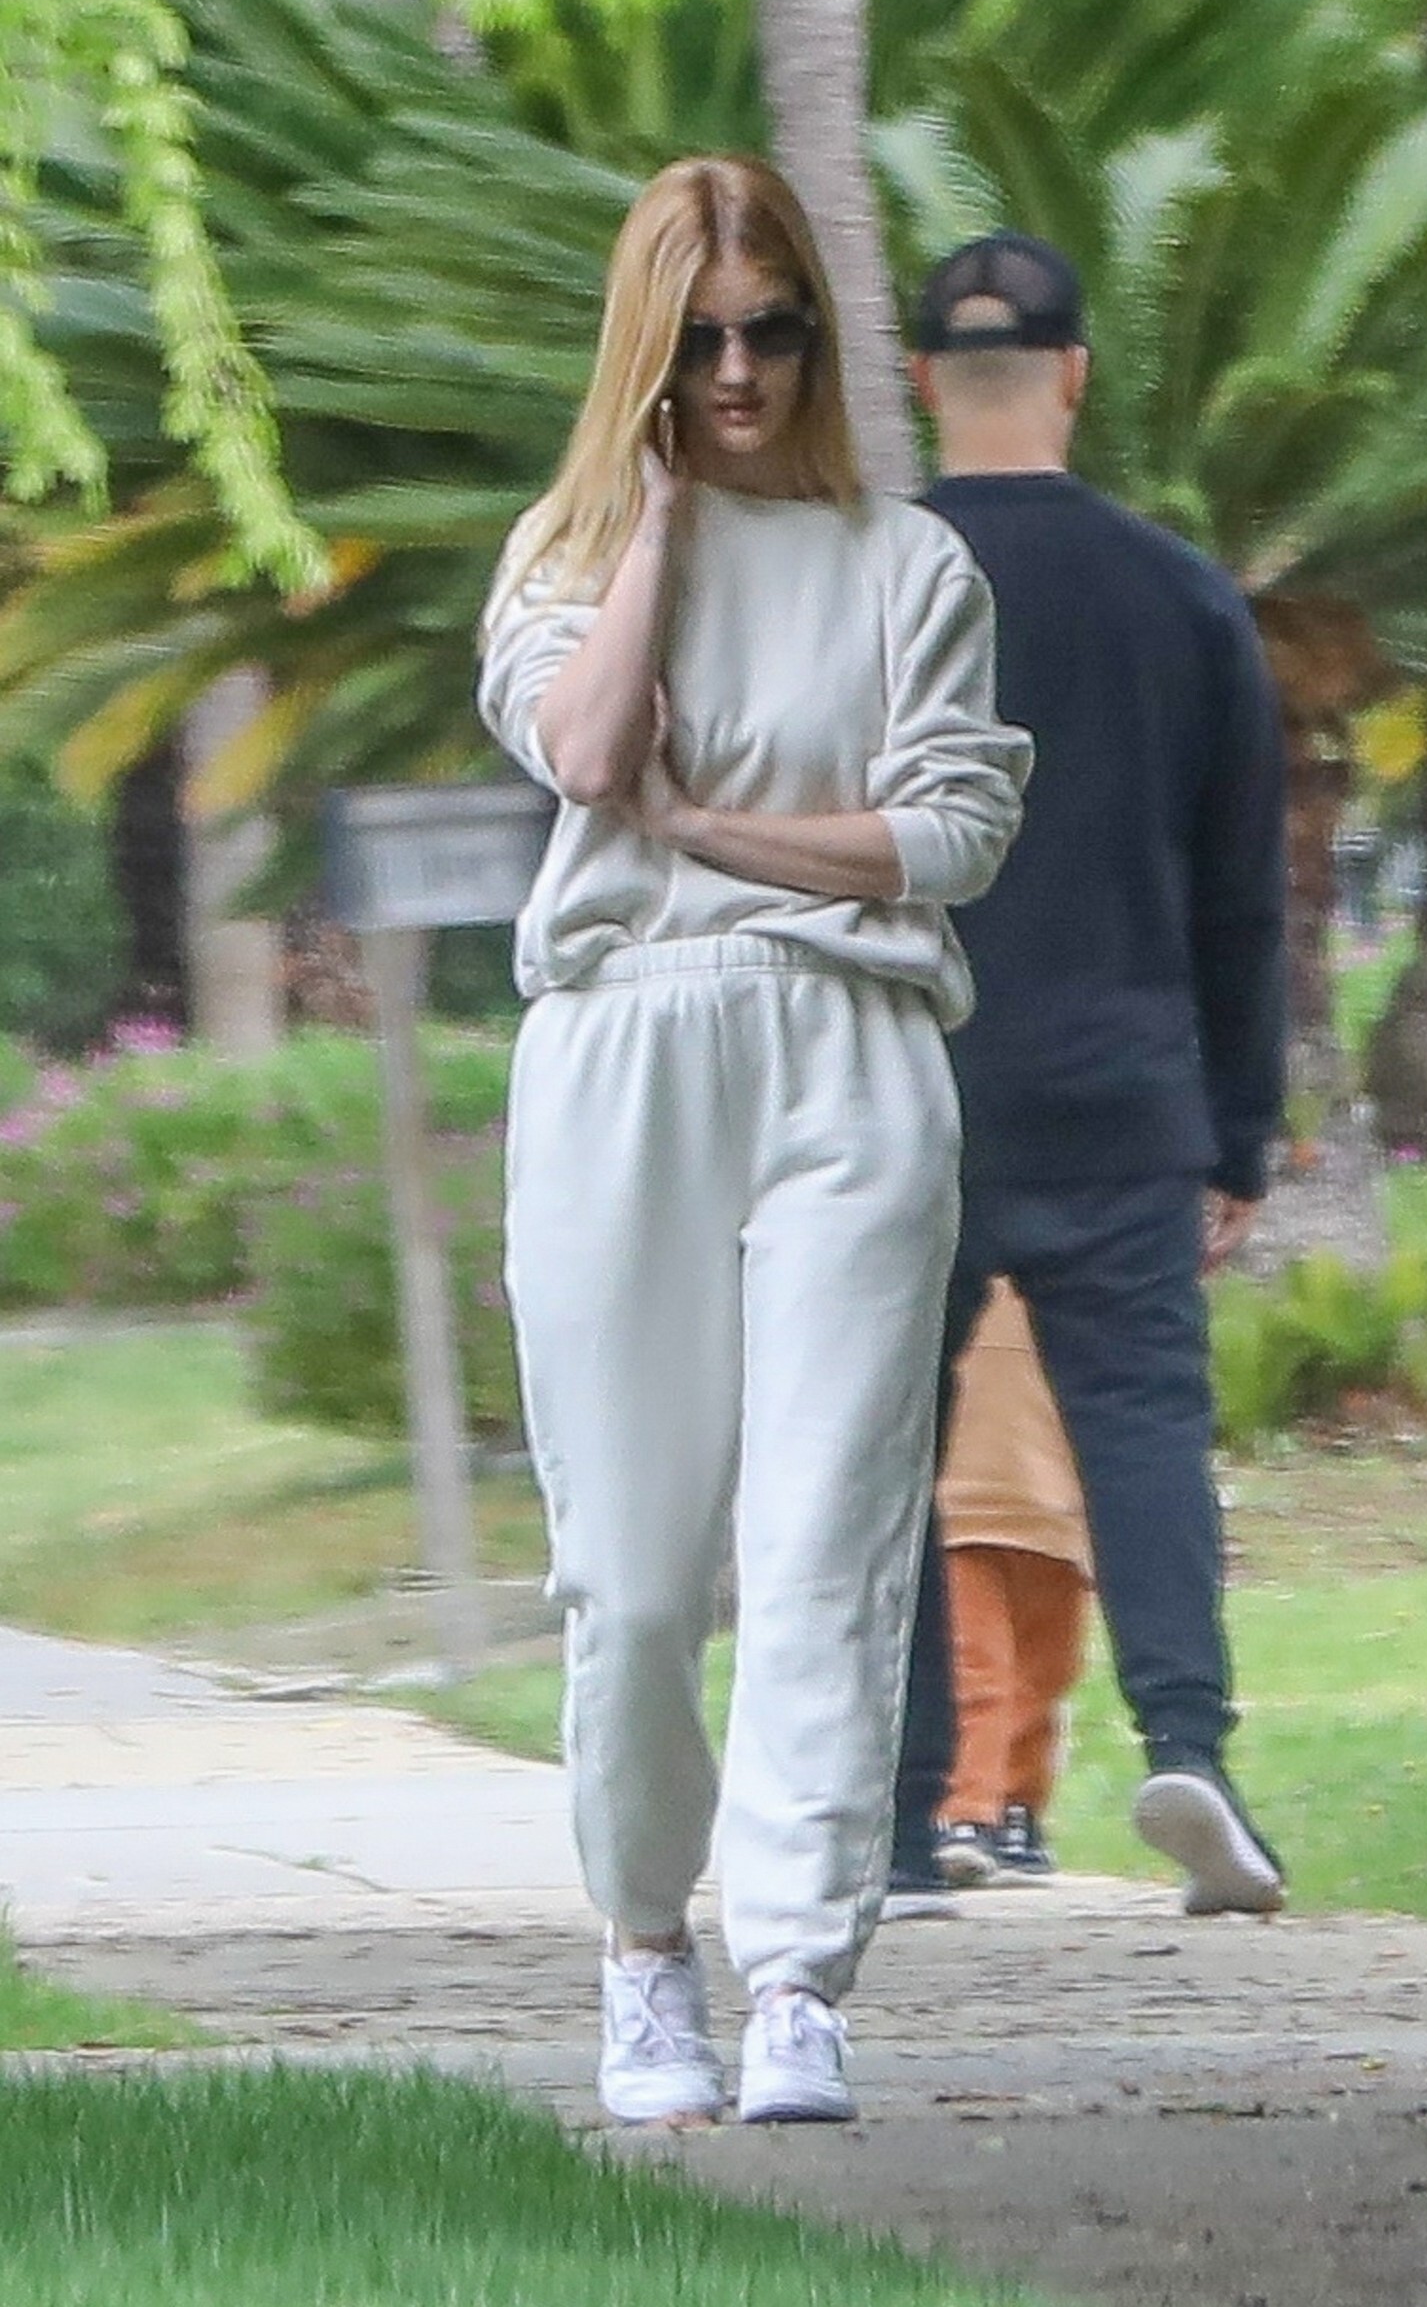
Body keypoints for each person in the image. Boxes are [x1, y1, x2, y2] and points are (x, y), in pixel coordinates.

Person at [477, 159, 1030, 2127]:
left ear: (819, 336)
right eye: (698, 337)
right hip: (621, 1049)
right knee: (628, 1573)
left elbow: (951, 835)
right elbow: (587, 753)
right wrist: (656, 520)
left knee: (820, 1539)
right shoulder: (562, 557)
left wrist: (714, 836)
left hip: (850, 1057)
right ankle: (646, 1949)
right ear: (644, 350)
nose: (736, 370)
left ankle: (796, 1973)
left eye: (771, 330)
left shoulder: (908, 567)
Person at [890, 232, 1288, 1919]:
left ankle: (904, 1815)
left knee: (884, 1446)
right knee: (1140, 1427)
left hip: (904, 1087)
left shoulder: (869, 580)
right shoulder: (1180, 593)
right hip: (1122, 1092)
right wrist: (1240, 1134)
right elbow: (1242, 891)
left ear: (923, 379)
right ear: (1074, 374)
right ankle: (1188, 1745)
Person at [933, 1277, 1094, 1890]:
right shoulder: (951, 1274)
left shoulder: (1080, 1282)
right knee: (975, 1671)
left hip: (1057, 1516)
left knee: (1044, 1676)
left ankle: (1017, 1807)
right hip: (961, 1510)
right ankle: (966, 1809)